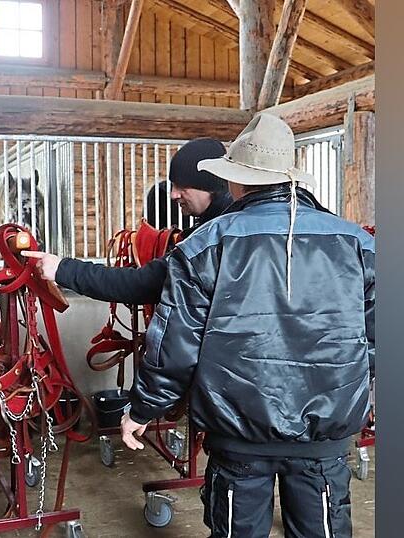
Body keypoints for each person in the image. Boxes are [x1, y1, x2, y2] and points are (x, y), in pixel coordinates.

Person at [119, 113, 375, 538]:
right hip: (324, 438)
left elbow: (175, 344)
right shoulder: (357, 244)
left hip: (237, 436)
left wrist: (144, 408)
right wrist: (351, 383)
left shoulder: (204, 246)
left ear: (234, 181)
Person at [23, 138, 234, 305]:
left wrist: (63, 269)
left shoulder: (210, 242)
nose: (173, 195)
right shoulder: (225, 227)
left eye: (182, 186)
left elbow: (141, 284)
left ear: (207, 186)